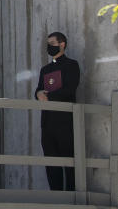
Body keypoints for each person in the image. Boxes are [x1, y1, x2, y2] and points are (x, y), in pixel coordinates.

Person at [36, 31, 80, 191]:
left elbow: (70, 90)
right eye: (48, 44)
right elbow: (38, 90)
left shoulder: (71, 65)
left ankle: (70, 198)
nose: (49, 47)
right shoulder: (45, 69)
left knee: (69, 162)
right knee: (51, 163)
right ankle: (56, 197)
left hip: (65, 122)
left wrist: (49, 95)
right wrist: (39, 94)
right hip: (47, 123)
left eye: (52, 44)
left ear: (62, 44)